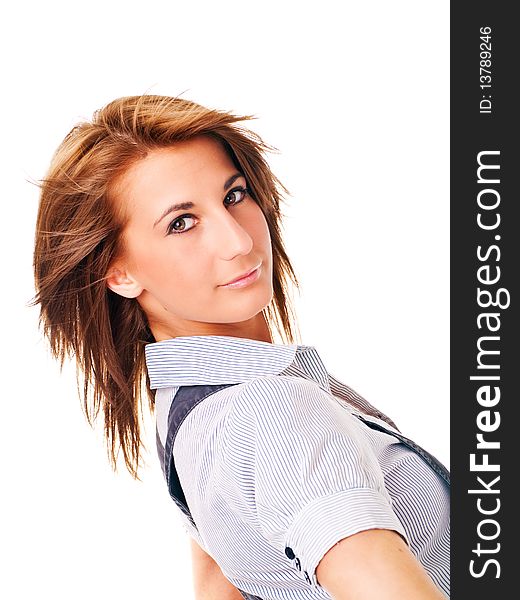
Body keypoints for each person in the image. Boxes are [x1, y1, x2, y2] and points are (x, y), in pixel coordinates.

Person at [32, 94, 450, 600]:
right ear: (117, 272)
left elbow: (219, 584)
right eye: (181, 223)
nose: (238, 241)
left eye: (234, 196)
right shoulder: (268, 410)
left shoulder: (183, 411)